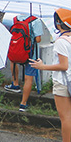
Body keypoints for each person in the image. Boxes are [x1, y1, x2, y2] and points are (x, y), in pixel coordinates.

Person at [30, 8, 71, 142]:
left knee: (65, 117)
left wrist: (43, 67)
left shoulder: (61, 41)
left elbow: (63, 66)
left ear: (58, 22)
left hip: (62, 82)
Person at [4, 14, 43, 112]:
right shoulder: (36, 21)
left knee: (13, 60)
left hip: (17, 50)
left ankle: (15, 83)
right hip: (30, 54)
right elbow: (38, 39)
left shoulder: (15, 19)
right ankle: (23, 104)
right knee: (28, 78)